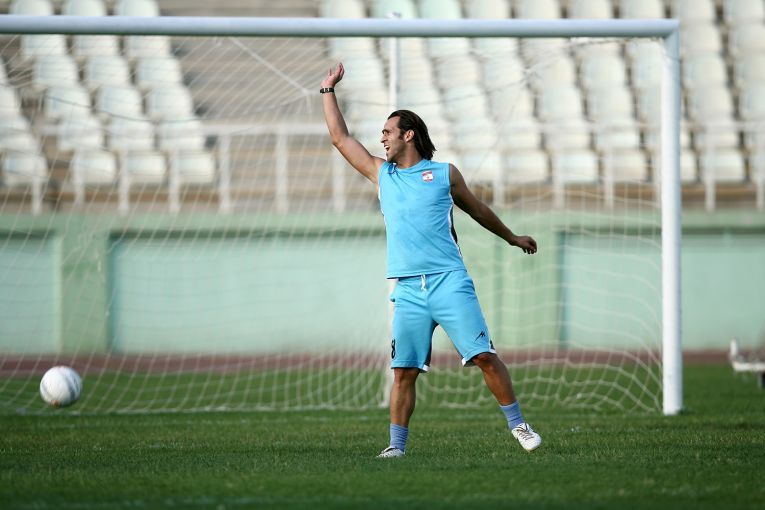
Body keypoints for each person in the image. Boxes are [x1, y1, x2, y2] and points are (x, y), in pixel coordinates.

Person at [320, 63, 542, 457]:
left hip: (448, 280)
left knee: (484, 357)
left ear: (408, 135)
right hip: (407, 288)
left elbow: (477, 209)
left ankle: (519, 426)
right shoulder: (382, 175)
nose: (382, 139)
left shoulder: (443, 174)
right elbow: (340, 138)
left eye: (387, 132)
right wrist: (327, 90)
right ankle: (396, 447)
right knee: (403, 372)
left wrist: (511, 237)